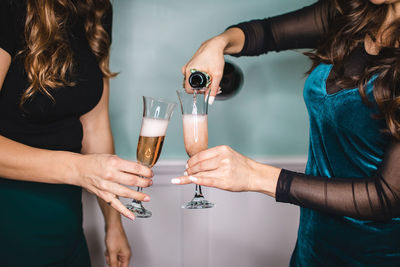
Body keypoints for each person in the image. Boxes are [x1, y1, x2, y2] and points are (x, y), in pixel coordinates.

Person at [173, 0, 400, 265]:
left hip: (377, 254)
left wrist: (255, 175)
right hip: (313, 244)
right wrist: (217, 44)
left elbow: (388, 196)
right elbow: (266, 33)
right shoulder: (350, 11)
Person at [0, 0, 153, 266]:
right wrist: (78, 169)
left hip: (66, 218)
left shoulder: (97, 8)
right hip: (10, 213)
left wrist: (113, 223)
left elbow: (95, 126)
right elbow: (82, 166)